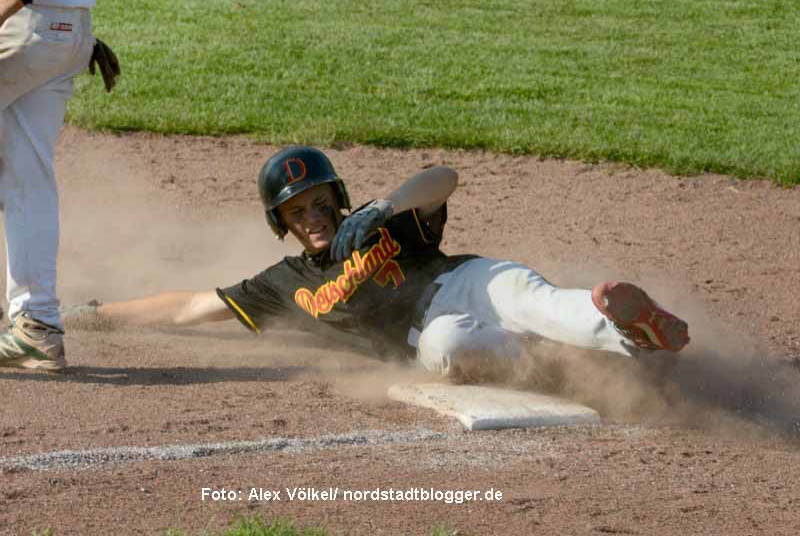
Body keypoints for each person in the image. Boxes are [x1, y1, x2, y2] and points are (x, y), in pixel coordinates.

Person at [45, 146, 690, 379]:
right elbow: (190, 305)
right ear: (282, 225)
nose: (314, 217)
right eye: (297, 211)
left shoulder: (374, 220)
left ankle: (630, 329)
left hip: (468, 279)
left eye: (321, 202)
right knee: (449, 347)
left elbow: (446, 176)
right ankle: (579, 361)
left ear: (339, 198)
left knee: (544, 302)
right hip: (430, 337)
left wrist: (384, 207)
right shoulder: (285, 283)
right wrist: (97, 315)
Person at [0, 0, 119, 371]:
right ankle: (36, 326)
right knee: (28, 179)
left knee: (26, 177)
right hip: (64, 31)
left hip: (17, 21)